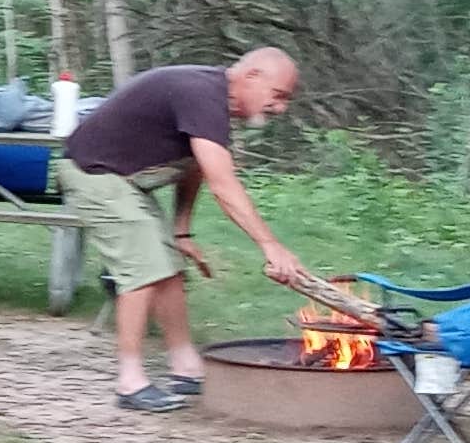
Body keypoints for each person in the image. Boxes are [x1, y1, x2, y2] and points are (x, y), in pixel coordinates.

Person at [60, 48, 331, 412]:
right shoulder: (202, 94)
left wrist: (182, 230)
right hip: (93, 174)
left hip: (123, 181)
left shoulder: (215, 102)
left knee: (168, 268)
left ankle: (186, 367)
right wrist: (270, 245)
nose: (280, 108)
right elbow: (223, 184)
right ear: (252, 76)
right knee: (142, 270)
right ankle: (130, 382)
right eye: (278, 95)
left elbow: (195, 166)